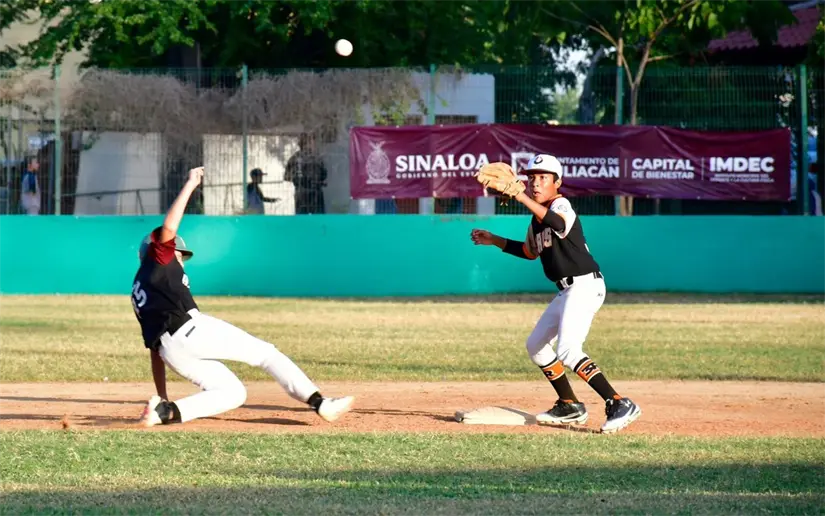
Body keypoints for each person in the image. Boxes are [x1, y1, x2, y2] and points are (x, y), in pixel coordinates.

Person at [132, 166, 354, 427]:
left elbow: (154, 350)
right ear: (160, 250)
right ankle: (320, 403)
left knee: (233, 393)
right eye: (179, 252)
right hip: (190, 330)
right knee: (266, 354)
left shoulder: (139, 288)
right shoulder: (159, 259)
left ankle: (166, 413)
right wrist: (191, 184)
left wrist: (162, 397)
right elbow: (169, 226)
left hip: (171, 352)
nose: (181, 257)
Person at [470, 154, 641, 434]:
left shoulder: (560, 204)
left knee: (569, 349)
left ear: (557, 182)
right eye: (531, 178)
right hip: (567, 289)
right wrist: (495, 240)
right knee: (535, 345)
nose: (535, 183)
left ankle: (619, 402)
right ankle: (569, 405)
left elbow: (560, 224)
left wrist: (523, 198)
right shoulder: (535, 220)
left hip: (585, 285)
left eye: (542, 178)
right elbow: (528, 252)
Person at [285, 133, 328, 214]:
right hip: (312, 194)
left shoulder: (295, 158)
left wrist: (298, 179)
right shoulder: (317, 158)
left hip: (304, 194)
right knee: (317, 220)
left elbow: (287, 176)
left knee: (303, 220)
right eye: (308, 142)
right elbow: (324, 175)